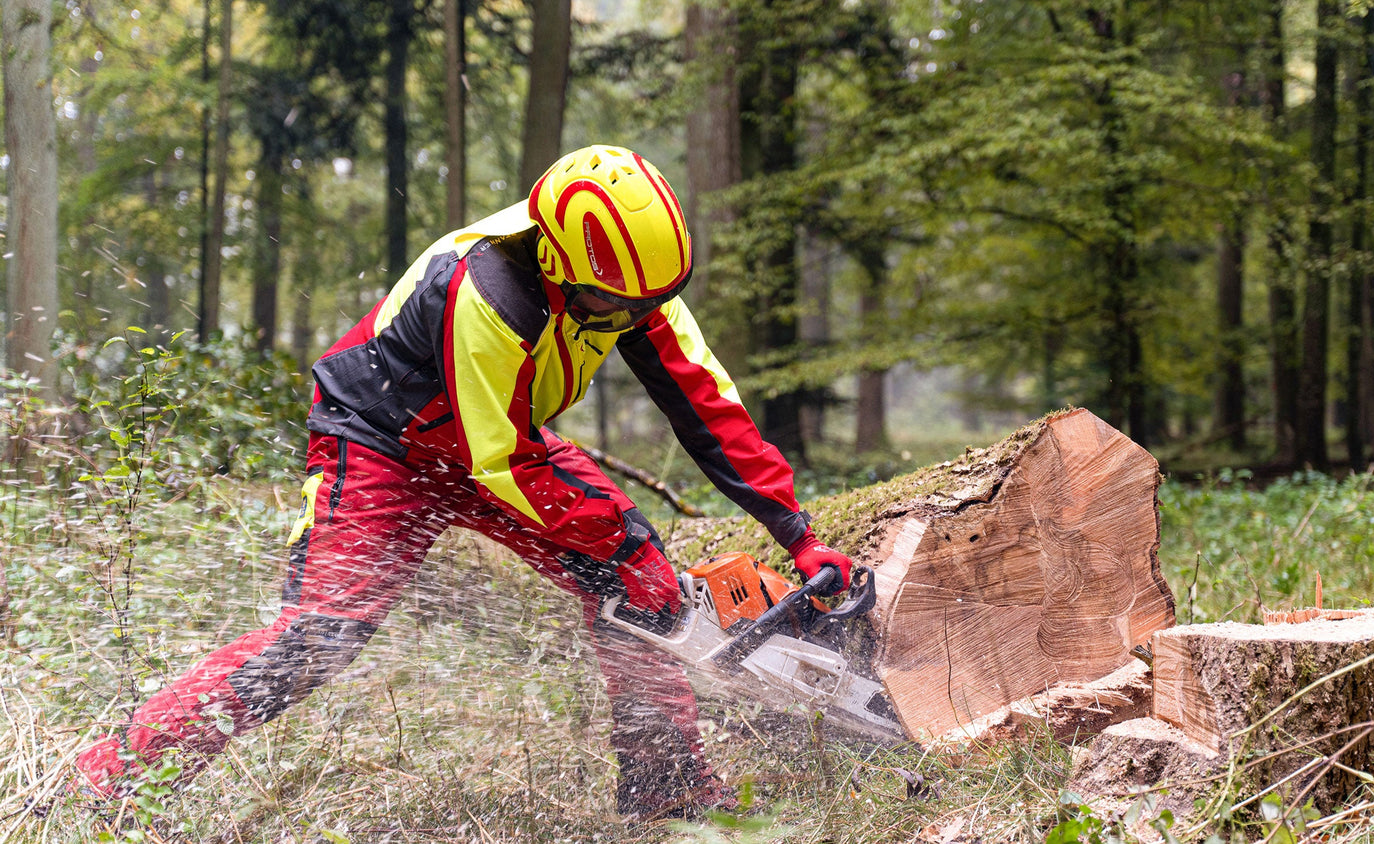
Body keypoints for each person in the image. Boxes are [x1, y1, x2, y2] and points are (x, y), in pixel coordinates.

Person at [75, 144, 855, 820]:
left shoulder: (630, 289)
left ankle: (667, 790)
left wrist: (798, 533)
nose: (626, 319)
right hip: (384, 444)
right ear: (557, 261)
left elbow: (709, 408)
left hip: (492, 435)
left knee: (637, 576)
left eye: (642, 305)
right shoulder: (487, 286)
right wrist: (609, 530)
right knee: (319, 638)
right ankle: (113, 778)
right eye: (611, 306)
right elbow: (502, 464)